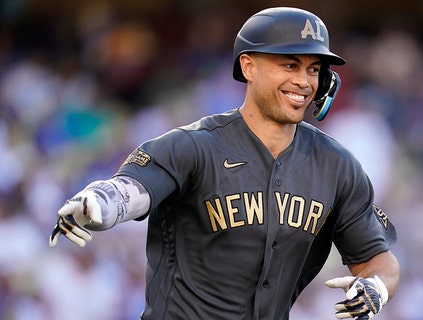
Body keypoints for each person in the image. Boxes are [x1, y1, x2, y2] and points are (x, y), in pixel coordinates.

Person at [49, 6, 399, 320]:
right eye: (289, 64)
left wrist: (376, 288)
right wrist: (100, 202)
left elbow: (376, 259)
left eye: (314, 69)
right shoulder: (193, 146)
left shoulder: (337, 166)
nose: (304, 81)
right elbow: (132, 190)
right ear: (248, 66)